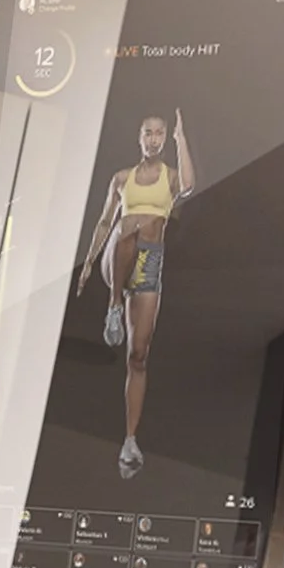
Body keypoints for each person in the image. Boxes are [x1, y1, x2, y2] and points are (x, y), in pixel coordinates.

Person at [75, 110, 199, 478]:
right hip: (116, 260)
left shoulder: (170, 177)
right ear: (139, 136)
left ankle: (130, 439)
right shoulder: (121, 179)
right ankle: (114, 306)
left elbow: (189, 185)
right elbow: (103, 222)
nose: (154, 139)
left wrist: (182, 139)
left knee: (139, 355)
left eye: (161, 134)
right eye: (149, 133)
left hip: (149, 267)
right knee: (132, 224)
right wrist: (87, 263)